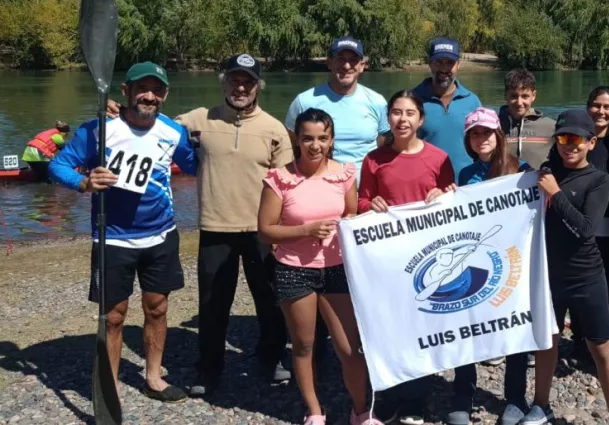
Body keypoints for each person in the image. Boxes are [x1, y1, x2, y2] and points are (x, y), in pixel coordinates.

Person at [107, 54, 294, 394]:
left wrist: (285, 229)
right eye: (234, 80)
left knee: (269, 301)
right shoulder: (197, 119)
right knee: (212, 305)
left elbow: (288, 185)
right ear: (223, 83)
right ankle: (209, 368)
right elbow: (150, 122)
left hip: (261, 230)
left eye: (247, 82)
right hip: (215, 228)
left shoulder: (273, 128)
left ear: (257, 87)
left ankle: (270, 358)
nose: (240, 87)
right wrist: (121, 111)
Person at [49, 61, 197, 402]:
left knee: (157, 308)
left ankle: (154, 377)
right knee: (113, 316)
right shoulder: (99, 130)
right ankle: (109, 385)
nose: (149, 96)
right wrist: (84, 182)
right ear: (125, 91)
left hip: (161, 235)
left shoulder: (173, 131)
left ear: (165, 95)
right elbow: (58, 165)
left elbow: (199, 164)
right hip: (112, 238)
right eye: (141, 88)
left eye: (157, 90)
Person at [259, 108, 383, 425]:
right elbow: (265, 230)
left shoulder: (343, 175)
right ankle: (314, 411)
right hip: (292, 270)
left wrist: (354, 222)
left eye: (323, 138)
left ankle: (361, 411)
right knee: (303, 345)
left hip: (336, 269)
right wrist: (305, 230)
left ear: (331, 141)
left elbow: (352, 215)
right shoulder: (280, 179)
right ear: (297, 140)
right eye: (308, 138)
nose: (315, 145)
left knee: (350, 348)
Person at [359, 89, 456, 425]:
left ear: (420, 119)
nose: (403, 119)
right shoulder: (374, 159)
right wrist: (370, 205)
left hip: (426, 259)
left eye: (410, 113)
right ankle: (388, 393)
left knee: (420, 326)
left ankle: (416, 397)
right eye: (396, 112)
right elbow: (361, 203)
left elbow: (453, 202)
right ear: (388, 117)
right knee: (388, 327)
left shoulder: (439, 159)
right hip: (386, 258)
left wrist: (442, 194)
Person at [524, 109, 609, 425]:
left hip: (586, 276)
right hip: (549, 275)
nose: (569, 146)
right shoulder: (545, 173)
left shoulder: (599, 180)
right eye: (563, 139)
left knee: (602, 347)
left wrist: (555, 192)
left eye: (576, 140)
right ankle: (541, 405)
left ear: (591, 143)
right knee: (547, 341)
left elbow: (585, 228)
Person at [448, 107, 531, 425]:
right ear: (468, 139)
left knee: (515, 330)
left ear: (499, 135)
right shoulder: (466, 176)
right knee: (466, 326)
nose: (481, 138)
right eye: (474, 133)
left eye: (486, 132)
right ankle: (462, 394)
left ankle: (514, 398)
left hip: (511, 262)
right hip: (478, 263)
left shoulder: (522, 171)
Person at [551, 86, 609, 359]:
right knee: (575, 285)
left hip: (606, 227)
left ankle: (601, 342)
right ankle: (579, 339)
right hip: (573, 225)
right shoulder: (565, 146)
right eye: (596, 105)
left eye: (607, 107)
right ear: (588, 108)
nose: (601, 111)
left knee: (605, 287)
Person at [285, 37, 389, 173]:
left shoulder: (377, 101)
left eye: (353, 60)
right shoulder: (304, 101)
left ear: (362, 66)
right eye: (340, 59)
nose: (346, 66)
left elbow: (384, 147)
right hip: (320, 186)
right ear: (329, 63)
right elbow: (292, 143)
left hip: (365, 189)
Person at [411, 37, 482, 177]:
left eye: (450, 63)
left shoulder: (472, 101)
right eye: (438, 62)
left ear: (458, 65)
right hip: (425, 185)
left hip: (466, 186)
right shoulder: (411, 100)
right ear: (430, 63)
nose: (444, 68)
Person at [498, 69, 555, 169]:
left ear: (533, 96)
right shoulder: (494, 127)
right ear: (505, 95)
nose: (519, 102)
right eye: (514, 96)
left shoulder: (551, 127)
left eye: (525, 96)